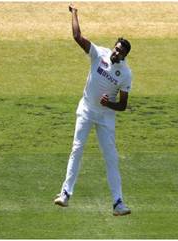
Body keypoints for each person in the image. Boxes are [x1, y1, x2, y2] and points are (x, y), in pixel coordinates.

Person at [54, 3, 132, 216]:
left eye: (121, 52)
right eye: (116, 48)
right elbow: (77, 36)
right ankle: (65, 195)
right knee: (76, 149)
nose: (117, 52)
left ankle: (118, 203)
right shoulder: (99, 54)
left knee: (111, 158)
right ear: (113, 47)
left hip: (106, 117)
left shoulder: (125, 74)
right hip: (86, 110)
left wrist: (109, 104)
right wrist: (75, 13)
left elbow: (123, 105)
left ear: (125, 55)